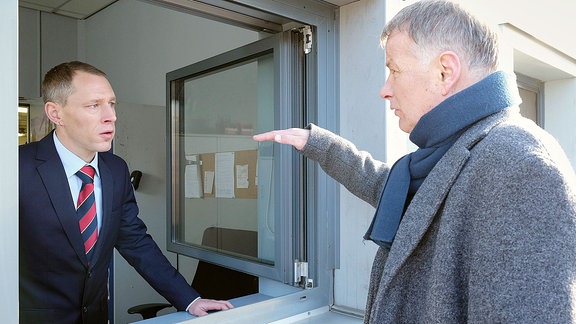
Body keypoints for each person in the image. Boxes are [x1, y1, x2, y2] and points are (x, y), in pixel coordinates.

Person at [254, 0, 576, 322]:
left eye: (394, 70)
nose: (385, 90)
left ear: (444, 72)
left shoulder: (520, 165)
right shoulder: (459, 148)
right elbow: (398, 191)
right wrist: (320, 144)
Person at [19, 61, 233, 323]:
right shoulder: (16, 168)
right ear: (55, 113)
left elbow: (135, 242)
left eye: (112, 103)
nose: (111, 116)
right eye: (94, 105)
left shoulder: (115, 170)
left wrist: (189, 299)